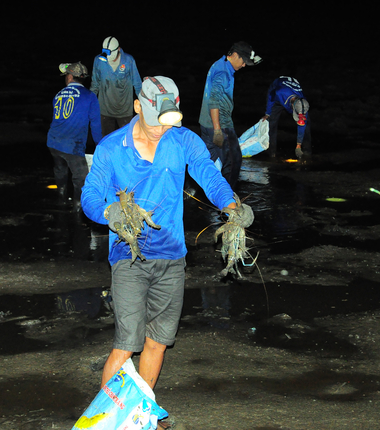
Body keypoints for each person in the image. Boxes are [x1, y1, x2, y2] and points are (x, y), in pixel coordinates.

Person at [81, 76, 253, 420]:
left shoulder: (183, 140)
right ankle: (104, 419)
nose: (161, 128)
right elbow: (89, 197)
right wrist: (109, 212)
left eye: (168, 120)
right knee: (128, 342)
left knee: (158, 342)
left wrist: (232, 206)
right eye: (155, 119)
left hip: (172, 257)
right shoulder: (112, 148)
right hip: (129, 257)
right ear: (137, 107)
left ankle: (140, 417)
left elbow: (208, 174)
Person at [199, 41, 262, 189]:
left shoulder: (220, 64)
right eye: (243, 61)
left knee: (207, 160)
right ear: (234, 55)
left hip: (206, 123)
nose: (244, 65)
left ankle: (194, 189)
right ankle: (227, 199)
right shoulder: (223, 72)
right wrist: (217, 130)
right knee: (233, 162)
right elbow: (214, 101)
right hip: (220, 126)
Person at [47, 61, 103, 210]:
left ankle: (61, 198)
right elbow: (95, 123)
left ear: (70, 77)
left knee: (60, 170)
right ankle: (77, 208)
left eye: (66, 75)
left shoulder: (58, 94)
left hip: (53, 142)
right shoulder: (90, 96)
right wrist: (100, 145)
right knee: (81, 178)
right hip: (73, 145)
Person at [90, 36, 143, 136]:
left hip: (125, 111)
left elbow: (137, 84)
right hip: (104, 110)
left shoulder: (129, 61)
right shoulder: (99, 60)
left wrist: (144, 104)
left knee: (126, 140)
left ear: (118, 49)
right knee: (106, 141)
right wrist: (90, 104)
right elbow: (94, 84)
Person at [261, 76, 310, 158]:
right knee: (271, 123)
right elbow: (270, 96)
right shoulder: (279, 92)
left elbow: (302, 124)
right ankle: (271, 153)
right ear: (292, 106)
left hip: (292, 94)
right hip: (277, 96)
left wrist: (298, 145)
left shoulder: (303, 105)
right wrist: (268, 113)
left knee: (307, 125)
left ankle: (307, 153)